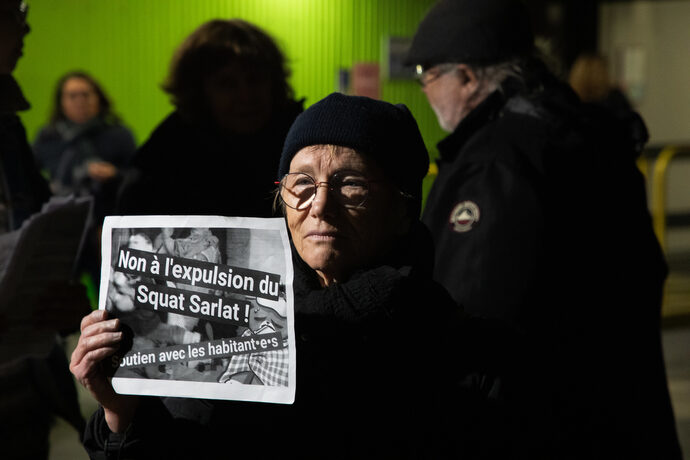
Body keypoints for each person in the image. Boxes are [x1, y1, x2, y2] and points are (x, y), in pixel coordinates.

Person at [71, 93, 521, 458]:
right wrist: (120, 411)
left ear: (403, 210)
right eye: (301, 183)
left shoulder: (466, 355)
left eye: (352, 184)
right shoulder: (234, 326)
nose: (319, 206)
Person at [406, 0, 681, 458]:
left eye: (429, 75)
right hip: (621, 415)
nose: (424, 90)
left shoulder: (498, 163)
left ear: (468, 77)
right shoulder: (584, 134)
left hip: (536, 426)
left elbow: (470, 314)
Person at [1, 1, 90, 458]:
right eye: (14, 12)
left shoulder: (10, 128)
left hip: (24, 380)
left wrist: (58, 290)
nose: (26, 25)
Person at [116, 19, 303, 218]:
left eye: (255, 79)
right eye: (227, 84)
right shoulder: (165, 154)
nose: (246, 95)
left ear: (273, 83)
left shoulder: (302, 140)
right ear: (199, 91)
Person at [33, 71, 136, 283]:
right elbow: (32, 182)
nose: (80, 101)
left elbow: (138, 178)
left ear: (98, 97)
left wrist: (114, 174)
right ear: (61, 102)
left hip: (105, 228)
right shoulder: (48, 138)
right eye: (72, 96)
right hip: (62, 229)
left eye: (86, 94)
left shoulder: (118, 134)